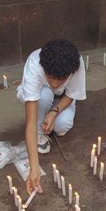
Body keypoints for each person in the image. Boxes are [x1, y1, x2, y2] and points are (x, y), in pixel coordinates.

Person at [16, 39, 86, 194]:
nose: (55, 83)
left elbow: (71, 94)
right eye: (51, 77)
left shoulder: (76, 64)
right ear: (44, 68)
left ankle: (49, 114)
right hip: (40, 95)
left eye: (60, 79)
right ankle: (41, 134)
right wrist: (34, 169)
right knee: (46, 95)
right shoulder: (35, 64)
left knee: (62, 126)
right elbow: (31, 122)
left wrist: (54, 112)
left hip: (61, 99)